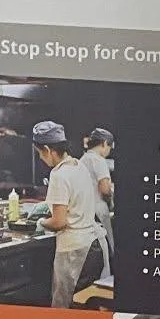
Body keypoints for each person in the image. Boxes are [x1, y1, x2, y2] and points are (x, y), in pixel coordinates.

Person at [32, 121, 103, 307]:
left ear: (47, 149)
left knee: (65, 310)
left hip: (74, 253)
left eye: (40, 153)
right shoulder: (78, 166)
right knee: (85, 309)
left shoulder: (59, 175)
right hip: (92, 248)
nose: (41, 158)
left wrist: (41, 222)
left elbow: (59, 222)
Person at [81, 128, 115, 266]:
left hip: (85, 211)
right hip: (99, 211)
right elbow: (105, 189)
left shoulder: (82, 159)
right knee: (106, 249)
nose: (108, 151)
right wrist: (112, 196)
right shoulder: (99, 160)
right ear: (104, 143)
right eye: (109, 147)